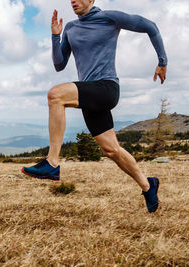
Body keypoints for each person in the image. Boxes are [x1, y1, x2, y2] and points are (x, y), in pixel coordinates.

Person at [21, 0, 167, 213]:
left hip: (106, 88)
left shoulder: (109, 18)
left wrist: (162, 61)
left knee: (56, 95)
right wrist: (55, 36)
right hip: (90, 95)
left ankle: (52, 163)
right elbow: (59, 65)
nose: (73, 1)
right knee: (111, 150)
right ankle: (148, 185)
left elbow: (150, 26)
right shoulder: (71, 28)